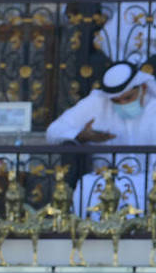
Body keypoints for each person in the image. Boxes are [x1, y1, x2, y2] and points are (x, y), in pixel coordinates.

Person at [44, 60, 156, 217]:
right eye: (116, 101)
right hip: (104, 182)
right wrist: (81, 136)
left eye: (128, 98)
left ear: (143, 88)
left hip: (150, 181)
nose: (122, 104)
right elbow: (53, 132)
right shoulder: (96, 103)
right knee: (87, 188)